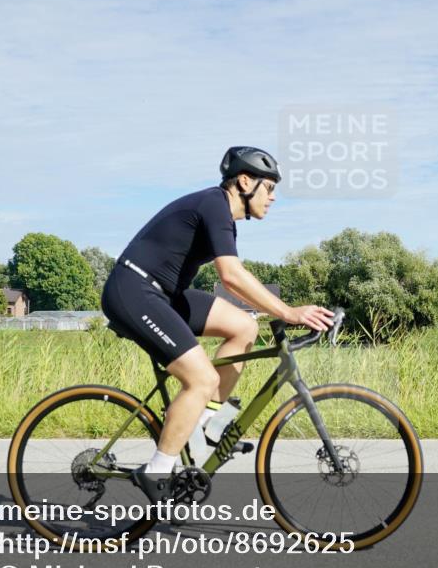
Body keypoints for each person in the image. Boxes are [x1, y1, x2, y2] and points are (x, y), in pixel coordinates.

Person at [101, 146, 335, 502]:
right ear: (245, 182)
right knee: (202, 378)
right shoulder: (214, 205)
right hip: (132, 290)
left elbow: (237, 278)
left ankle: (205, 430)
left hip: (163, 294)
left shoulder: (223, 216)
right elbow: (231, 276)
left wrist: (278, 311)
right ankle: (158, 471)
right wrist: (288, 312)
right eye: (270, 188)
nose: (273, 197)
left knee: (244, 327)